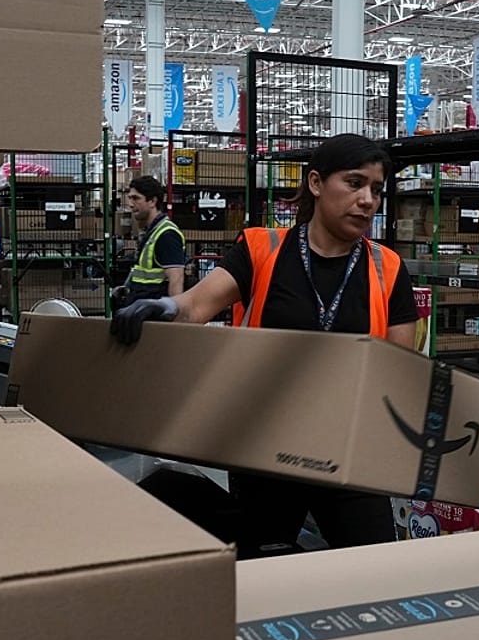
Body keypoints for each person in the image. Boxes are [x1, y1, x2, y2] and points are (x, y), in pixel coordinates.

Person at [112, 134, 419, 553]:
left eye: (376, 189)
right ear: (315, 183)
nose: (367, 199)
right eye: (354, 182)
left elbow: (403, 370)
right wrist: (163, 307)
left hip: (348, 449)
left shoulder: (388, 267)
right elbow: (196, 306)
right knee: (260, 560)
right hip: (268, 444)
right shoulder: (262, 249)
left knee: (374, 562)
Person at [115, 175, 187, 307]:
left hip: (154, 315)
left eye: (136, 198)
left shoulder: (167, 234)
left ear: (153, 201)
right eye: (130, 198)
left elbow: (176, 279)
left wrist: (174, 318)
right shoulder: (152, 231)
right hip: (143, 310)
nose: (131, 204)